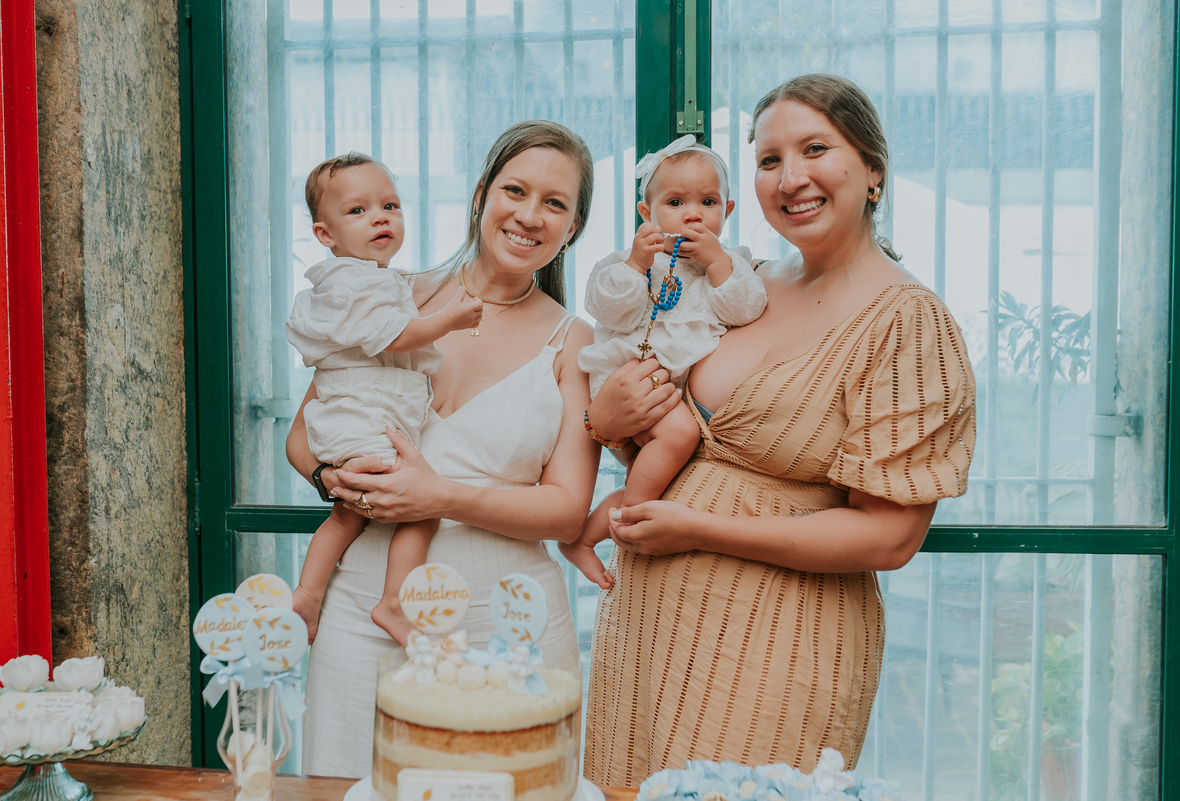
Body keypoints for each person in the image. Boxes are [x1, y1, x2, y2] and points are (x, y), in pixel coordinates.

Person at [582, 74, 977, 784]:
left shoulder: (906, 321)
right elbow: (671, 420)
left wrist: (701, 529)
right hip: (648, 620)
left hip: (779, 637)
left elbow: (890, 536)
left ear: (874, 171)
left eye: (815, 149)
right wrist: (603, 420)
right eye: (769, 160)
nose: (791, 177)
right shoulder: (744, 286)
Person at [288, 121, 600, 778]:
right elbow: (303, 433)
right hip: (364, 611)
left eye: (555, 203)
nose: (530, 215)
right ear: (482, 195)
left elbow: (569, 512)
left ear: (572, 227)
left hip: (509, 623)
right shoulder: (391, 295)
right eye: (515, 190)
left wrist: (441, 495)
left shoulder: (575, 341)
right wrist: (330, 477)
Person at [286, 153, 483, 645]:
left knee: (345, 516)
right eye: (357, 211)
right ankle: (394, 603)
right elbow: (393, 336)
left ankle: (308, 595)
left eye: (390, 205)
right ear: (324, 235)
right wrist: (449, 320)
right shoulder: (356, 281)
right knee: (424, 507)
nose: (380, 217)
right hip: (365, 420)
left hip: (354, 419)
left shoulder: (361, 279)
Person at [562, 136, 767, 588]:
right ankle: (634, 523)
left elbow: (746, 310)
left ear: (727, 212)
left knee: (658, 476)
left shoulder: (732, 266)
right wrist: (636, 265)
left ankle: (582, 538)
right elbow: (606, 306)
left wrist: (717, 263)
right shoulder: (633, 261)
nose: (693, 214)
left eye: (707, 202)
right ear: (647, 214)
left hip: (669, 390)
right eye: (675, 202)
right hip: (629, 376)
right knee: (681, 434)